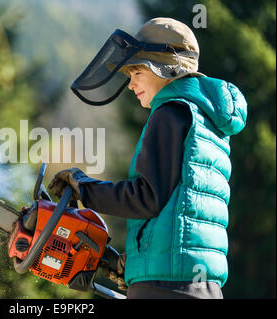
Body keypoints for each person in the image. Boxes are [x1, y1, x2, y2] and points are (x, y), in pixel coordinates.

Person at [48, 17, 247, 299]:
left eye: (137, 73)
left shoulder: (170, 113)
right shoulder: (207, 123)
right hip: (202, 287)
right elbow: (178, 209)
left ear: (166, 69)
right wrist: (137, 263)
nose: (130, 85)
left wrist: (85, 188)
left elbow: (146, 197)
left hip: (164, 287)